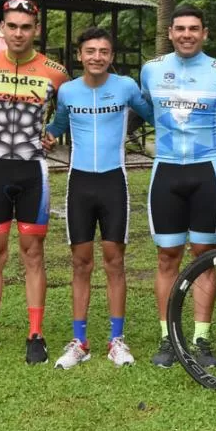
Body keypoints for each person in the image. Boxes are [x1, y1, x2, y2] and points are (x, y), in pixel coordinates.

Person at [0, 0, 68, 366]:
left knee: (33, 254)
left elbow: (71, 106)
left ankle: (35, 334)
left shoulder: (55, 71)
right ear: (2, 28)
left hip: (32, 170)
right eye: (12, 26)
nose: (19, 33)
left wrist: (55, 130)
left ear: (36, 30)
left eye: (26, 27)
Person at [43, 27, 153, 369]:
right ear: (79, 55)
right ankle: (80, 341)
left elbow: (154, 115)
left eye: (103, 51)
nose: (97, 57)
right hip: (79, 184)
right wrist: (48, 136)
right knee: (80, 263)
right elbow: (58, 125)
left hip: (113, 183)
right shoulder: (68, 92)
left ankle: (116, 339)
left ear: (111, 56)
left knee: (114, 261)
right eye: (90, 51)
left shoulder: (126, 87)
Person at [139, 5, 216, 368]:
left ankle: (200, 338)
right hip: (165, 171)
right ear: (170, 33)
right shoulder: (151, 70)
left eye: (193, 29)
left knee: (203, 256)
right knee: (167, 257)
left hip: (206, 174)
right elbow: (147, 110)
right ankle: (168, 338)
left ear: (204, 33)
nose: (186, 34)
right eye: (179, 28)